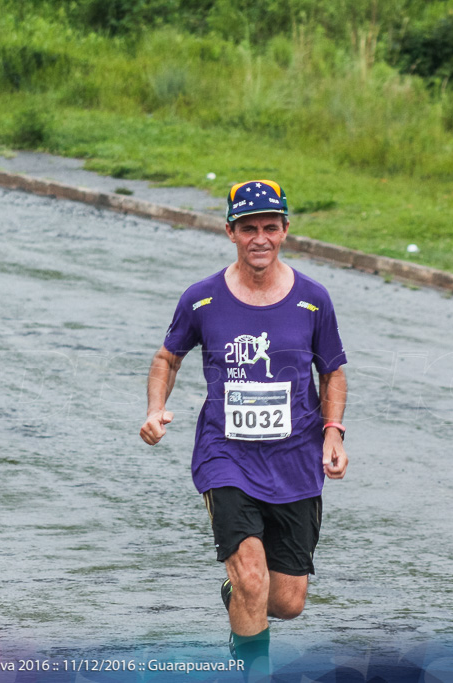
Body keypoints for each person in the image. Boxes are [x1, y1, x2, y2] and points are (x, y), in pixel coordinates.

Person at [139, 180, 348, 672]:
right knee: (254, 580)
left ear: (285, 231)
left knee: (286, 601)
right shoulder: (202, 299)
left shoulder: (314, 300)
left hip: (296, 459)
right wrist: (154, 409)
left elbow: (332, 370)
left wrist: (334, 430)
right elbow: (167, 358)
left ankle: (238, 593)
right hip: (225, 455)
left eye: (270, 228)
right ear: (230, 232)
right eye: (248, 228)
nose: (260, 238)